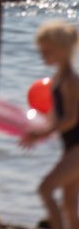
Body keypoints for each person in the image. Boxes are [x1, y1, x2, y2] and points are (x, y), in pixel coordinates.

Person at [21, 21, 79, 229]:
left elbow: (71, 119)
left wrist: (43, 134)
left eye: (47, 51)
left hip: (77, 148)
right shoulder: (58, 78)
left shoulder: (71, 80)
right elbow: (54, 117)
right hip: (70, 147)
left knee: (46, 189)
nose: (42, 55)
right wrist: (32, 129)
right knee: (70, 204)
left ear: (62, 51)